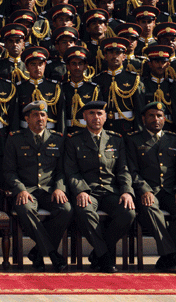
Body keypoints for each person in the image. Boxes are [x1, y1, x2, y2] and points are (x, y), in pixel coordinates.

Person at [65, 100, 136, 273]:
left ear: (105, 117)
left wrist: (127, 192)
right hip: (89, 191)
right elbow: (71, 171)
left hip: (111, 191)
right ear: (84, 117)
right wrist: (81, 190)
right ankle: (104, 257)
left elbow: (123, 169)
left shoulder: (116, 139)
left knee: (128, 212)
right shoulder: (74, 140)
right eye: (91, 113)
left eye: (99, 113)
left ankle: (98, 252)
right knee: (84, 211)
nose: (96, 117)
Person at [3, 101, 71, 272]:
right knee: (25, 208)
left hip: (49, 190)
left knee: (66, 209)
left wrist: (59, 188)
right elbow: (8, 171)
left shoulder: (58, 139)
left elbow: (62, 170)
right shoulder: (15, 138)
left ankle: (38, 252)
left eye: (43, 115)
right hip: (27, 190)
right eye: (35, 115)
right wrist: (20, 189)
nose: (40, 118)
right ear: (27, 118)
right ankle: (53, 254)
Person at [125, 101, 176, 271]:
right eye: (151, 116)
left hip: (169, 191)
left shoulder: (172, 139)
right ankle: (170, 256)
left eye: (159, 116)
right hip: (147, 192)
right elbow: (131, 170)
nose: (156, 119)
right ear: (143, 119)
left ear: (164, 119)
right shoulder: (133, 140)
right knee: (150, 208)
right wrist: (144, 190)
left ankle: (168, 257)